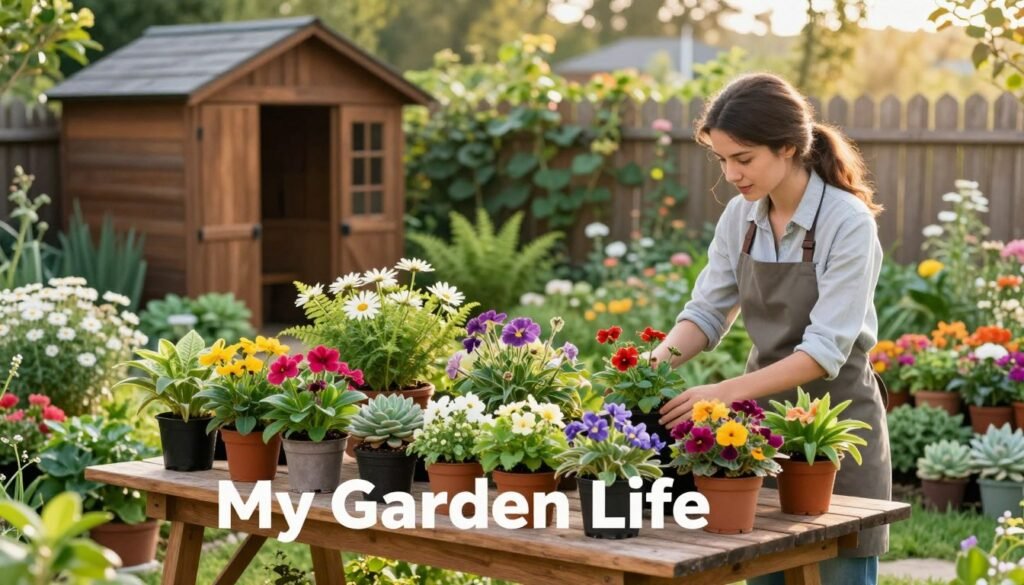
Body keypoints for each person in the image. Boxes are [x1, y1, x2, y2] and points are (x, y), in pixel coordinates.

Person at [650, 72, 891, 585]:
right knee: (762, 571)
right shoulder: (741, 218)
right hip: (759, 431)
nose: (732, 175)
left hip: (837, 427)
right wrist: (648, 368)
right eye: (721, 159)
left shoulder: (847, 223)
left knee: (837, 571)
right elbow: (707, 312)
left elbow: (825, 351)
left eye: (744, 158)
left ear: (788, 147)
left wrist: (720, 394)